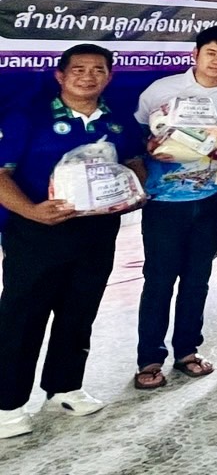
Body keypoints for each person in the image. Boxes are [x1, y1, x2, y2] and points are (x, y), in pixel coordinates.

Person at [0, 45, 143, 438]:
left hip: (97, 231)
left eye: (98, 69)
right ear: (60, 76)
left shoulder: (118, 120)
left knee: (80, 310)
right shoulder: (28, 116)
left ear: (109, 76)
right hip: (38, 231)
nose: (88, 76)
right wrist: (32, 211)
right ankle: (6, 404)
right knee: (22, 316)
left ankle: (64, 387)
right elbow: (1, 173)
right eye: (78, 69)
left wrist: (132, 188)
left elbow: (134, 161)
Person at [129, 25, 217, 390]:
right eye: (211, 53)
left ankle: (186, 351)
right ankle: (150, 358)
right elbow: (138, 134)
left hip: (211, 200)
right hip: (164, 200)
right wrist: (149, 148)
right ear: (195, 54)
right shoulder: (162, 89)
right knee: (159, 280)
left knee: (198, 279)